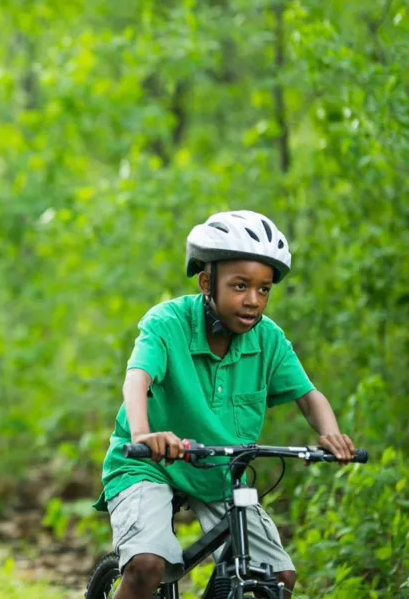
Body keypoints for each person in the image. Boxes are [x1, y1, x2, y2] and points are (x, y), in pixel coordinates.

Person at [93, 210, 357, 599]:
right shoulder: (167, 322)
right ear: (206, 282)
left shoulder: (268, 339)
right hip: (149, 463)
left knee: (278, 577)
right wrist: (143, 434)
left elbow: (308, 396)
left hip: (221, 474)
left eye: (264, 289)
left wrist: (330, 434)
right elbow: (138, 379)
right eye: (239, 286)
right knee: (146, 566)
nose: (253, 301)